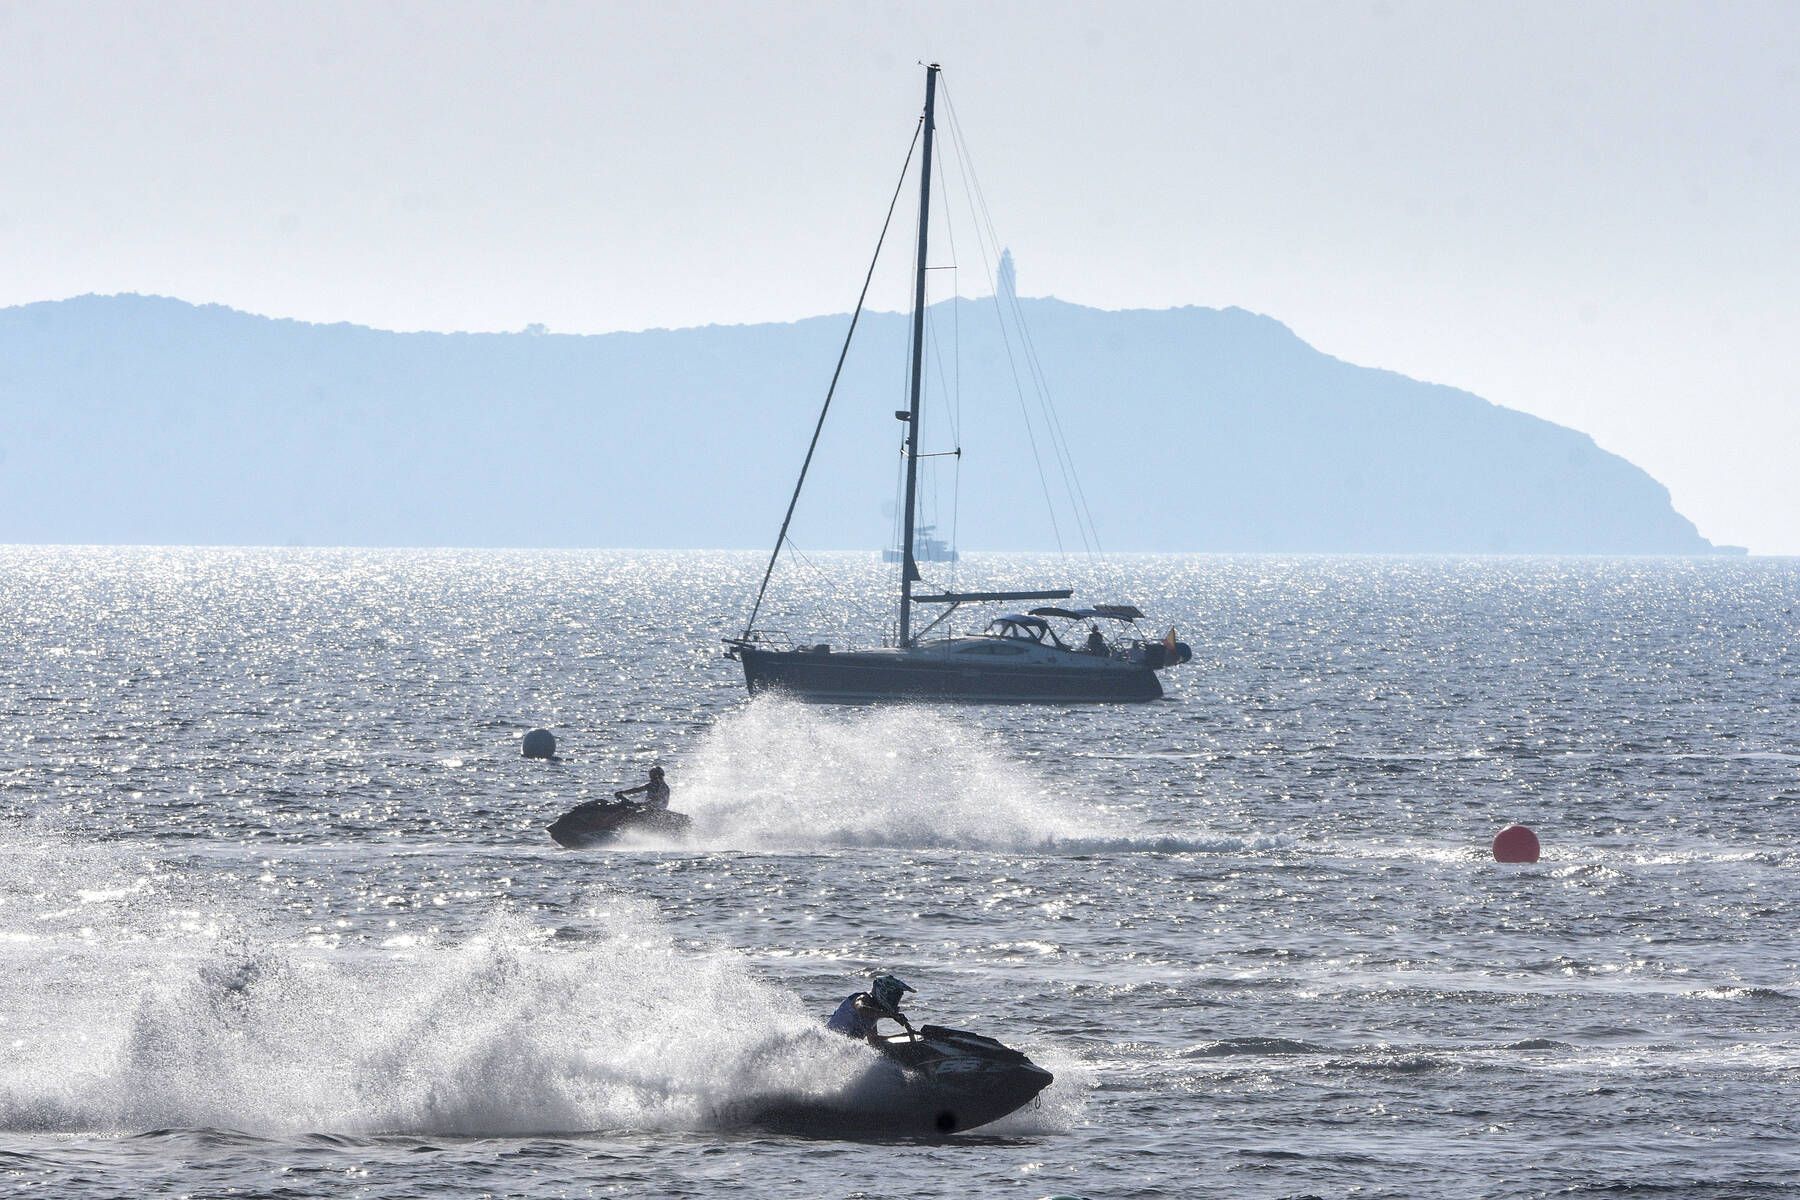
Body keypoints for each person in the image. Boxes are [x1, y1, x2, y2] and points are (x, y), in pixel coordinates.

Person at [826, 974, 916, 1044]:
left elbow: (873, 1041)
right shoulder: (863, 998)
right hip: (829, 1042)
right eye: (894, 997)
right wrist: (890, 1015)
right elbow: (860, 1008)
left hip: (840, 1047)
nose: (895, 1001)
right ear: (884, 992)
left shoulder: (874, 1012)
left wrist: (901, 1036)